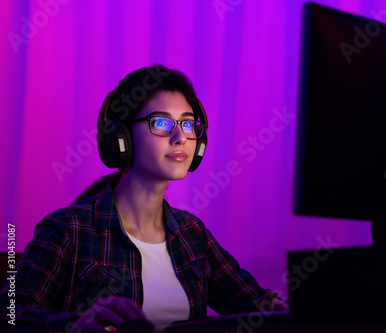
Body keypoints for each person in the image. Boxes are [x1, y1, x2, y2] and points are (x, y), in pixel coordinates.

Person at [0, 64, 288, 332]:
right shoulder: (68, 228)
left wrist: (283, 306)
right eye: (161, 122)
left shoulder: (193, 235)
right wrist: (77, 325)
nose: (180, 138)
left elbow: (257, 307)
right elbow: (8, 313)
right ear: (121, 137)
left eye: (187, 125)